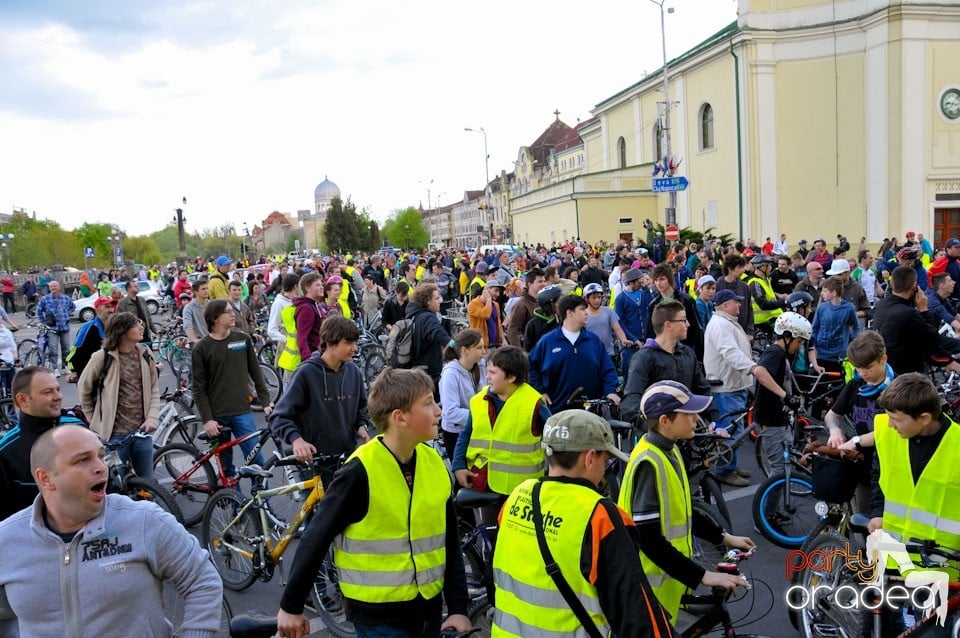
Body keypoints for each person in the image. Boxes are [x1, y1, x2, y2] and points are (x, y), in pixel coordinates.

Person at [276, 368, 471, 638]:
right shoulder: (359, 471)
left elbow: (449, 540)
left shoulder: (434, 463)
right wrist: (291, 606)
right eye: (428, 403)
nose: (438, 410)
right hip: (378, 616)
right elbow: (315, 537)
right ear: (400, 417)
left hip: (428, 608)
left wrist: (458, 607)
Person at [0, 425, 223, 637]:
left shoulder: (144, 520)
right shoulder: (7, 540)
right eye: (83, 460)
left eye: (100, 455)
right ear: (45, 478)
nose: (101, 466)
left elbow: (202, 580)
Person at [493, 409, 676, 637]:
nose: (604, 471)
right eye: (605, 460)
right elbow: (637, 615)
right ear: (590, 458)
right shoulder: (600, 515)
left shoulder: (517, 497)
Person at [618, 381, 755, 622]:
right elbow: (648, 539)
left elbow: (682, 509)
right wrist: (702, 575)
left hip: (666, 581)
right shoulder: (650, 463)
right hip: (650, 586)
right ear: (664, 421)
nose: (696, 418)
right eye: (689, 413)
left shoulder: (668, 450)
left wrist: (724, 537)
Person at [270, 316, 373, 486]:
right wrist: (297, 440)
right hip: (314, 462)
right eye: (348, 343)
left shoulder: (353, 371)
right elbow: (279, 416)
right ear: (331, 344)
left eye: (354, 343)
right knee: (318, 512)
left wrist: (361, 425)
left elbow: (362, 406)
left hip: (346, 457)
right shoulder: (306, 374)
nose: (354, 348)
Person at [704, 289, 791, 486]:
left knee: (735, 428)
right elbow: (730, 353)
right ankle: (724, 470)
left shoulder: (726, 323)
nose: (740, 305)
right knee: (729, 430)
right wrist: (753, 368)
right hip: (726, 387)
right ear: (725, 305)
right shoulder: (720, 325)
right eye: (737, 301)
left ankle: (730, 465)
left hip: (733, 384)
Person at [452, 345, 552, 497]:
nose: (487, 377)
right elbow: (466, 434)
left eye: (492, 372)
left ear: (511, 377)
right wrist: (458, 465)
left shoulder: (534, 404)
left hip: (522, 491)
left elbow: (554, 442)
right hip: (482, 484)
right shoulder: (478, 401)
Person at [192, 299, 272, 477]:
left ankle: (261, 504)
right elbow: (198, 388)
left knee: (257, 463)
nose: (232, 314)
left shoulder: (242, 339)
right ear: (215, 318)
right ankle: (235, 503)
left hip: (242, 411)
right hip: (217, 417)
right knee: (225, 467)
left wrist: (266, 401)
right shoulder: (202, 348)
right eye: (227, 312)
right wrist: (207, 420)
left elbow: (256, 373)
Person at [77, 312, 159, 480]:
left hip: (141, 432)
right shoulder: (102, 357)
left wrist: (152, 418)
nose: (141, 327)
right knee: (115, 486)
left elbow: (154, 389)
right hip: (114, 436)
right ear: (122, 331)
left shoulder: (145, 353)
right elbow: (84, 389)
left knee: (148, 486)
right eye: (135, 325)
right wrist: (95, 422)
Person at [823, 331, 892, 513]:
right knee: (864, 521)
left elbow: (888, 431)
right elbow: (832, 415)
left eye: (868, 367)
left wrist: (855, 441)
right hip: (863, 469)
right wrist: (834, 429)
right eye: (858, 368)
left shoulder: (897, 389)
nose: (863, 373)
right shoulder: (855, 385)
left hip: (890, 469)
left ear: (883, 359)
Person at [0, 367, 83, 520]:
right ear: (23, 400)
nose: (58, 396)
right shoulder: (6, 451)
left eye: (58, 389)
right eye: (48, 392)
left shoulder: (78, 429)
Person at [622, 300, 719, 425]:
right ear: (668, 325)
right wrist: (654, 428)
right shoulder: (644, 358)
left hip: (688, 430)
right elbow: (631, 401)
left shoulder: (687, 353)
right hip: (659, 435)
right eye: (683, 320)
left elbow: (702, 389)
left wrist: (715, 421)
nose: (688, 324)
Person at [530, 295, 619, 411]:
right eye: (582, 309)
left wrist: (610, 391)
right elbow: (532, 368)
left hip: (591, 412)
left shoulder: (593, 340)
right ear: (569, 313)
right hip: (557, 411)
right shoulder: (548, 341)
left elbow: (608, 369)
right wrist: (541, 392)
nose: (587, 313)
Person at [752, 313, 811, 475]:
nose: (798, 346)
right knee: (778, 470)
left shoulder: (782, 354)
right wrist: (784, 395)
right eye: (798, 341)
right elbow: (759, 371)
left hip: (779, 417)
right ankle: (770, 501)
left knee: (785, 463)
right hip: (769, 419)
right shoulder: (775, 353)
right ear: (787, 336)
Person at [874, 265, 960, 375]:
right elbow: (931, 339)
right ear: (915, 286)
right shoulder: (907, 313)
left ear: (892, 284)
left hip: (888, 368)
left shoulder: (882, 305)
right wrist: (923, 309)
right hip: (907, 374)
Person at [438, 329, 484, 458]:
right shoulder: (450, 374)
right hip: (456, 433)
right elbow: (450, 412)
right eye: (479, 348)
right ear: (465, 351)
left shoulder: (481, 365)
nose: (484, 351)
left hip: (475, 428)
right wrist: (482, 415)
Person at [646, 263, 704, 359]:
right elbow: (651, 331)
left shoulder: (686, 300)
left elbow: (696, 329)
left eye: (662, 279)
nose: (658, 283)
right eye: (656, 280)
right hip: (662, 352)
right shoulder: (653, 304)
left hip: (685, 350)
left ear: (669, 279)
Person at [809, 277, 861, 375]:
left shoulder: (848, 308)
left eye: (825, 291)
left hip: (839, 355)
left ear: (834, 293)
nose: (822, 293)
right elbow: (814, 328)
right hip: (821, 354)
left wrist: (853, 342)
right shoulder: (822, 308)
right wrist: (813, 347)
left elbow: (856, 326)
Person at [407, 283, 452, 390]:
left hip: (417, 369)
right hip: (429, 374)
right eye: (436, 298)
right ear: (428, 301)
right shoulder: (428, 318)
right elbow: (439, 334)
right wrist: (455, 345)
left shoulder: (415, 315)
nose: (440, 301)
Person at [614, 267, 655, 383]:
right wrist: (633, 338)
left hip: (646, 339)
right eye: (639, 281)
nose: (640, 283)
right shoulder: (621, 298)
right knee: (629, 371)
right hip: (630, 342)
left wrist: (646, 288)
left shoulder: (643, 293)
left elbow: (651, 304)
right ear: (631, 282)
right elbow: (620, 321)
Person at [65, 295, 116, 382]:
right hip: (90, 373)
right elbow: (75, 351)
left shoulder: (114, 326)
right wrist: (74, 371)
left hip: (108, 373)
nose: (111, 310)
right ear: (97, 310)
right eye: (107, 307)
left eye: (112, 307)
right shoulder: (89, 327)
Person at [35, 280, 75, 375]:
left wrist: (67, 314)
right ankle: (55, 368)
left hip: (64, 327)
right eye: (51, 287)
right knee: (53, 348)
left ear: (59, 287)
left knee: (66, 348)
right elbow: (38, 311)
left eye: (54, 286)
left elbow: (72, 307)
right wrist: (43, 321)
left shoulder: (65, 298)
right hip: (52, 328)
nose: (53, 288)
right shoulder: (45, 299)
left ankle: (65, 366)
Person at [583, 282, 632, 360]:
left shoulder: (608, 311)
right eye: (594, 297)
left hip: (608, 354)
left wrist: (624, 340)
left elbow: (617, 329)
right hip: (590, 356)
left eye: (599, 297)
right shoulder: (582, 315)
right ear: (586, 299)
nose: (597, 300)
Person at [714, 255, 755, 338]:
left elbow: (749, 310)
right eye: (739, 267)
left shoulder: (744, 286)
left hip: (742, 333)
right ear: (730, 268)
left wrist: (750, 332)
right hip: (723, 333)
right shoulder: (717, 286)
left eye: (743, 267)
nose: (743, 270)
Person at [506, 266, 545, 347]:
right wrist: (520, 353)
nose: (543, 284)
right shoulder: (521, 305)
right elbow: (513, 330)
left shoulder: (544, 302)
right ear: (530, 284)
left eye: (544, 281)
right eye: (540, 281)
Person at [293, 272, 326, 361]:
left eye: (322, 285)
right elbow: (302, 336)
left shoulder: (316, 305)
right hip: (314, 357)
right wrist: (309, 359)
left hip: (321, 354)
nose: (322, 287)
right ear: (307, 288)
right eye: (318, 285)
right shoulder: (306, 308)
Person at [467, 279, 502, 348]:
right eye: (496, 290)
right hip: (481, 346)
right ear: (487, 290)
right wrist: (488, 299)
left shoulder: (495, 304)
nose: (498, 294)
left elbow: (498, 323)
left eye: (499, 291)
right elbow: (486, 315)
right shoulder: (473, 304)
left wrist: (503, 339)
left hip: (495, 346)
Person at [117, 278, 154, 343]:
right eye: (135, 286)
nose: (138, 288)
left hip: (146, 335)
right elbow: (121, 321)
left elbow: (148, 317)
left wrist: (155, 330)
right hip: (133, 338)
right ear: (129, 289)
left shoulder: (142, 300)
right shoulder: (123, 303)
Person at [182, 278, 210, 342]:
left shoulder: (212, 305)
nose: (206, 291)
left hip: (212, 341)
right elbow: (187, 326)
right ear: (195, 292)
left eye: (207, 288)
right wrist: (195, 340)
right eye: (203, 289)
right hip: (198, 342)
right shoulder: (189, 307)